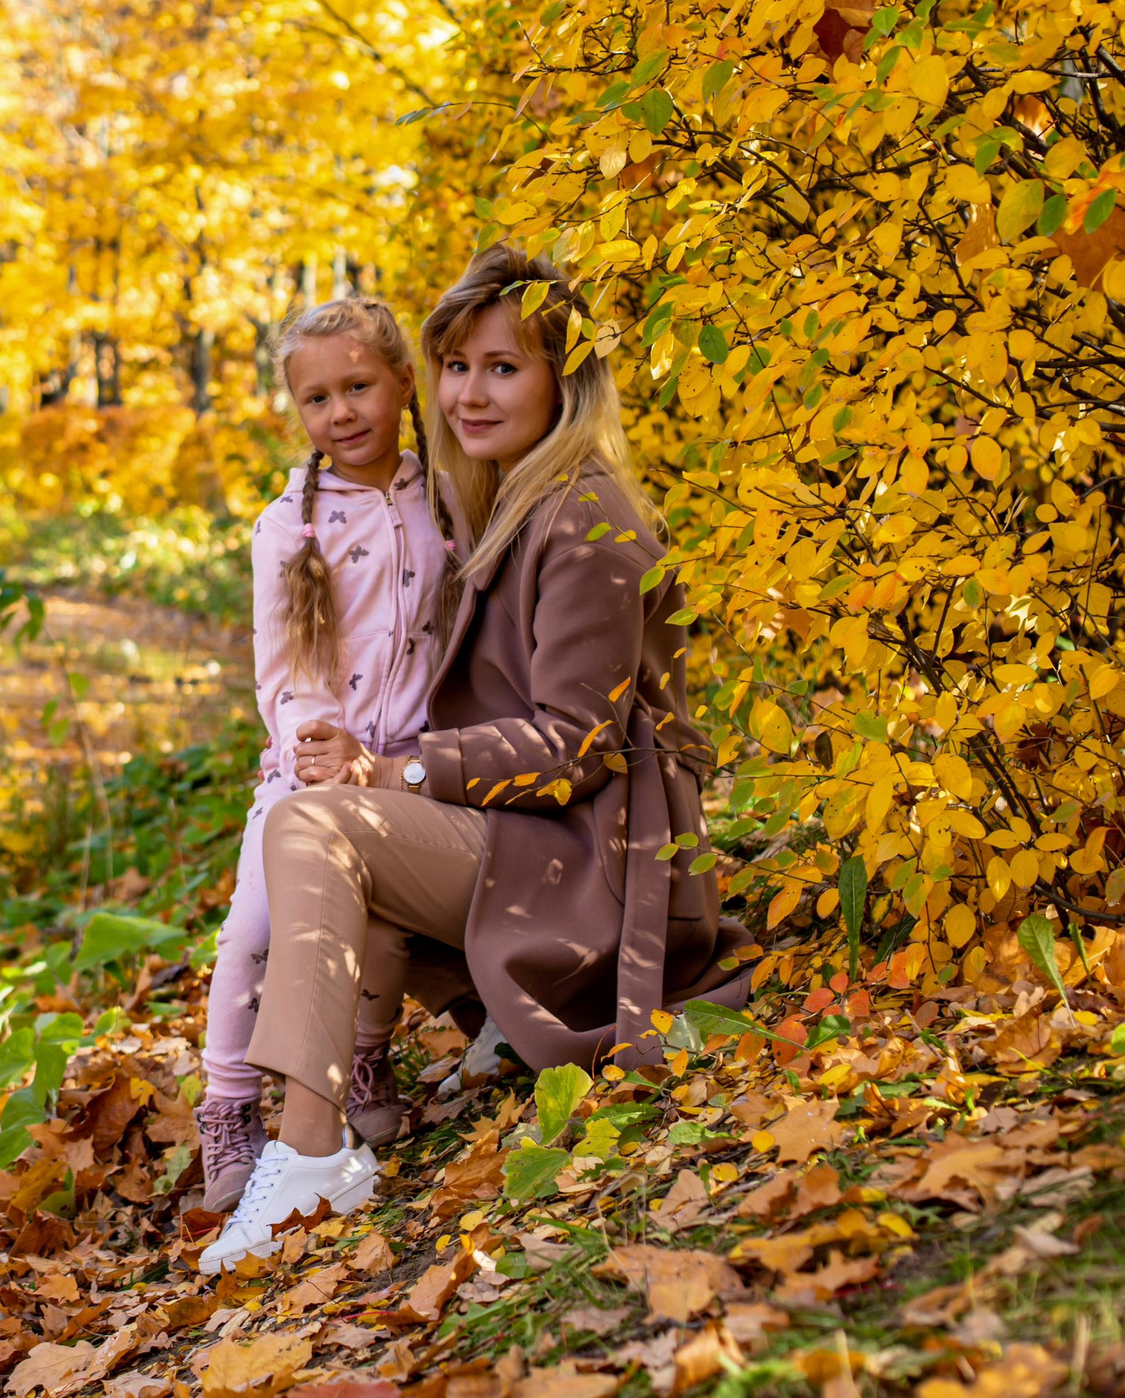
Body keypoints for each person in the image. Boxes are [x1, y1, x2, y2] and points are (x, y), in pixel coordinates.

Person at [198, 247, 755, 1274]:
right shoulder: (500, 501)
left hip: (594, 859)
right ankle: (319, 1123)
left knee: (314, 820)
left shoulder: (586, 517)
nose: (469, 391)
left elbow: (574, 745)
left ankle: (310, 1152)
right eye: (455, 366)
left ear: (562, 376)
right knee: (311, 817)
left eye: (502, 367)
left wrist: (395, 772)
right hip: (530, 836)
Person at [196, 298, 458, 1212]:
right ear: (298, 412)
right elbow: (283, 673)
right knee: (258, 929)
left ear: (400, 384)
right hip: (312, 764)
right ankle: (228, 1104)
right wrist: (320, 750)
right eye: (318, 399)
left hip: (414, 761)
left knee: (388, 923)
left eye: (358, 387)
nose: (342, 413)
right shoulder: (287, 527)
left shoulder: (446, 500)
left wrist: (406, 755)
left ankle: (365, 1056)